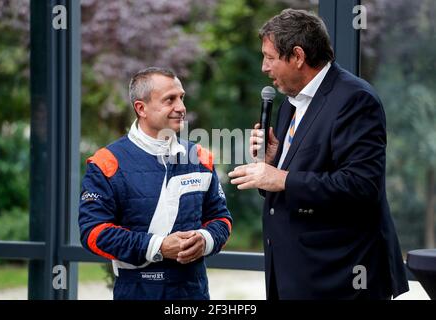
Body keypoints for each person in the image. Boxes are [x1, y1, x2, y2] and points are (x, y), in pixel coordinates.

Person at [228, 9, 409, 299]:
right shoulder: (290, 102)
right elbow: (302, 174)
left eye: (270, 57)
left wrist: (282, 178)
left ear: (297, 56)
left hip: (341, 277)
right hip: (295, 274)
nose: (264, 67)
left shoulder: (355, 99)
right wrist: (276, 161)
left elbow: (362, 186)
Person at [79, 67, 232, 300]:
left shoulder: (201, 157)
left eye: (181, 97)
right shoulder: (106, 162)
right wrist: (159, 247)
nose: (181, 107)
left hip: (194, 293)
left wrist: (205, 240)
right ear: (141, 108)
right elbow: (93, 232)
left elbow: (221, 219)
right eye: (170, 99)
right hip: (137, 292)